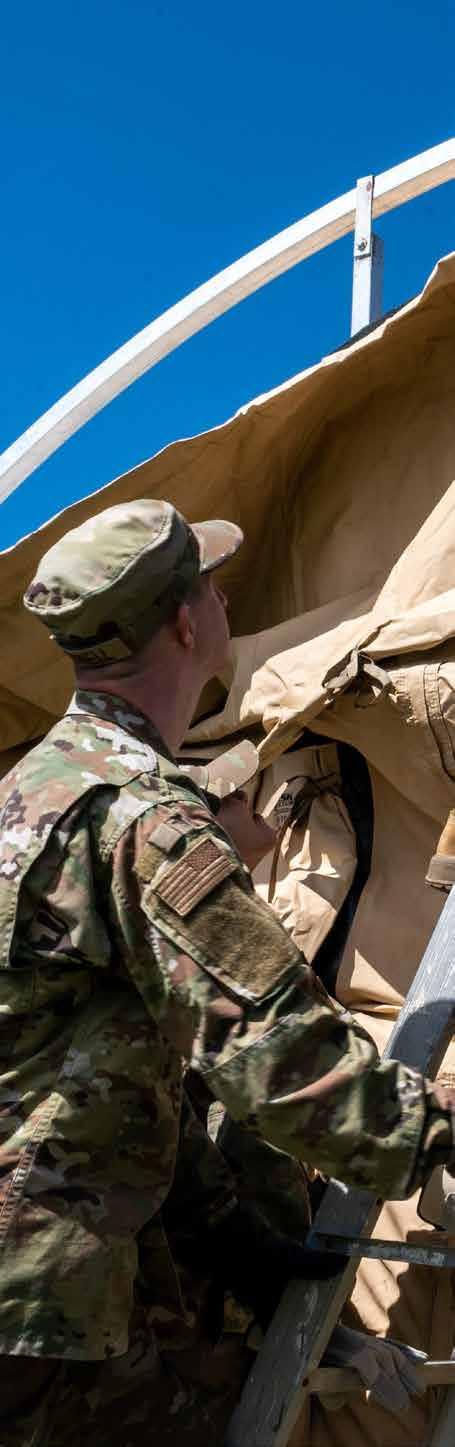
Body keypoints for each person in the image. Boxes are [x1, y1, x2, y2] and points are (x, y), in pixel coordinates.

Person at [0, 497, 454, 1446]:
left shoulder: (31, 794)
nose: (222, 599)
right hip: (45, 1298)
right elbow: (279, 1058)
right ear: (183, 622)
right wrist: (433, 1127)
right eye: (208, 584)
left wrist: (245, 1248)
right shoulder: (144, 822)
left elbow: (111, 1069)